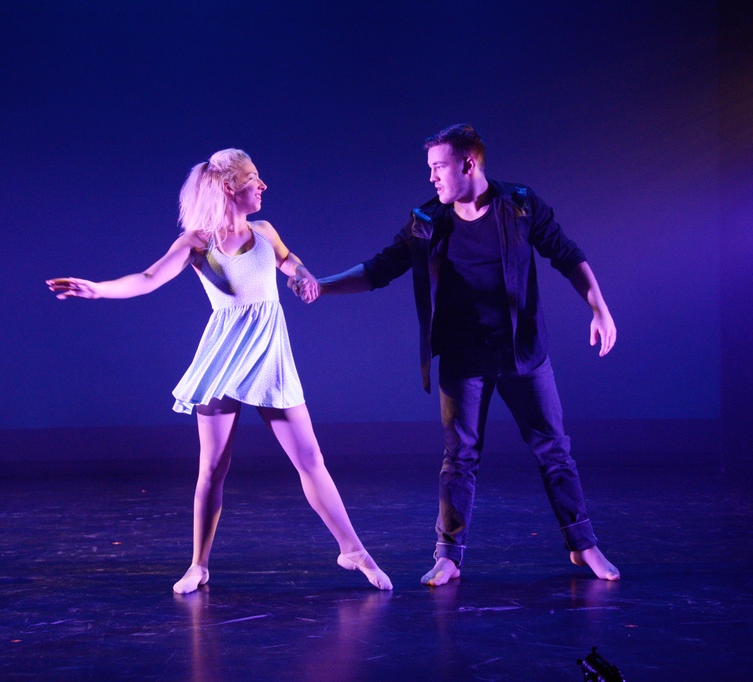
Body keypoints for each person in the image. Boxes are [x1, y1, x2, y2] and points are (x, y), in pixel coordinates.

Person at [47, 148, 392, 594]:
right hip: (224, 358)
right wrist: (98, 290)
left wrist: (302, 274)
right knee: (212, 467)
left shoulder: (265, 231)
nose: (263, 185)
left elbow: (288, 259)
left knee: (311, 460)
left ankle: (353, 550)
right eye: (253, 178)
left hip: (270, 357)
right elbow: (149, 278)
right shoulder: (198, 242)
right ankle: (198, 565)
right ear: (229, 187)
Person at [290, 125, 619, 586]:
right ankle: (448, 556)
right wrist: (322, 286)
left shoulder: (521, 205)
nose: (432, 178)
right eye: (430, 169)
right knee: (459, 458)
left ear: (468, 164)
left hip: (523, 354)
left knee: (554, 450)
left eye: (439, 167)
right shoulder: (426, 221)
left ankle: (583, 545)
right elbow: (381, 268)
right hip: (464, 360)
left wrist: (599, 308)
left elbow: (567, 255)